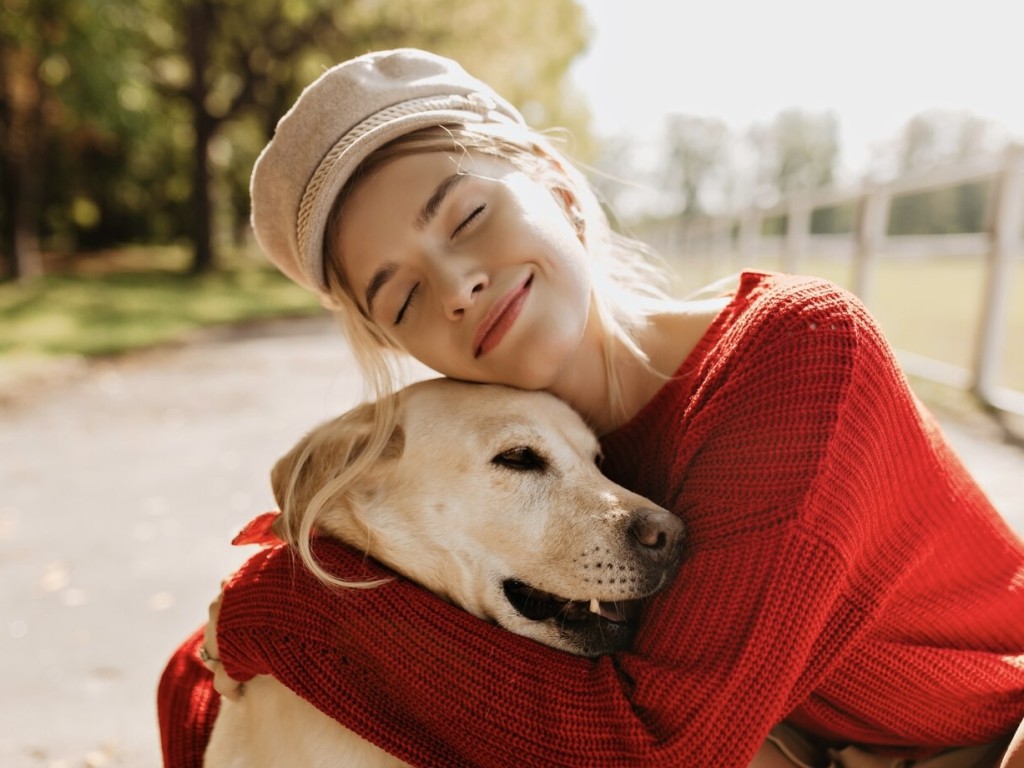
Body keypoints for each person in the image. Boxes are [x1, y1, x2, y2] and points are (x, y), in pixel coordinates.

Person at [157, 48, 1024, 767]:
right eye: (402, 295)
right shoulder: (494, 454)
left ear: (557, 184)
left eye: (466, 217)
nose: (457, 284)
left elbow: (653, 751)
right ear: (396, 344)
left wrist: (291, 609)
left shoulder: (796, 355)